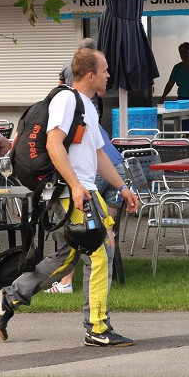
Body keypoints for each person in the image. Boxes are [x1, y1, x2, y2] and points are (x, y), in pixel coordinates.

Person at [0, 49, 140, 346]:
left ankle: (8, 298)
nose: (109, 75)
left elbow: (98, 154)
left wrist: (123, 188)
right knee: (100, 254)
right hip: (74, 191)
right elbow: (53, 143)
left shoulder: (88, 106)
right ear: (90, 74)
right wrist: (74, 185)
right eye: (106, 70)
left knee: (65, 259)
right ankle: (97, 328)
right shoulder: (66, 100)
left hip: (84, 188)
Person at [47, 123, 124, 294]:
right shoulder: (90, 116)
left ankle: (66, 282)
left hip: (91, 171)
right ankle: (106, 275)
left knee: (79, 225)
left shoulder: (66, 120)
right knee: (105, 225)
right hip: (116, 166)